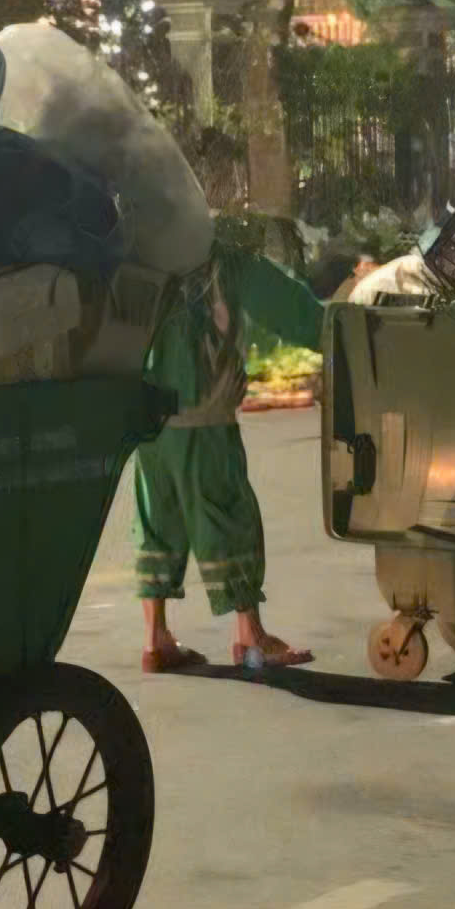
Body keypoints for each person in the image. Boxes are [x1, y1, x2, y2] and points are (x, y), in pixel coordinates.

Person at [136, 238, 327, 676]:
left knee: (156, 520)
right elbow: (294, 312)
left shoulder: (142, 252)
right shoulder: (223, 260)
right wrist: (349, 331)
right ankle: (250, 636)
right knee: (229, 516)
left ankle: (155, 638)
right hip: (204, 417)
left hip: (148, 421)